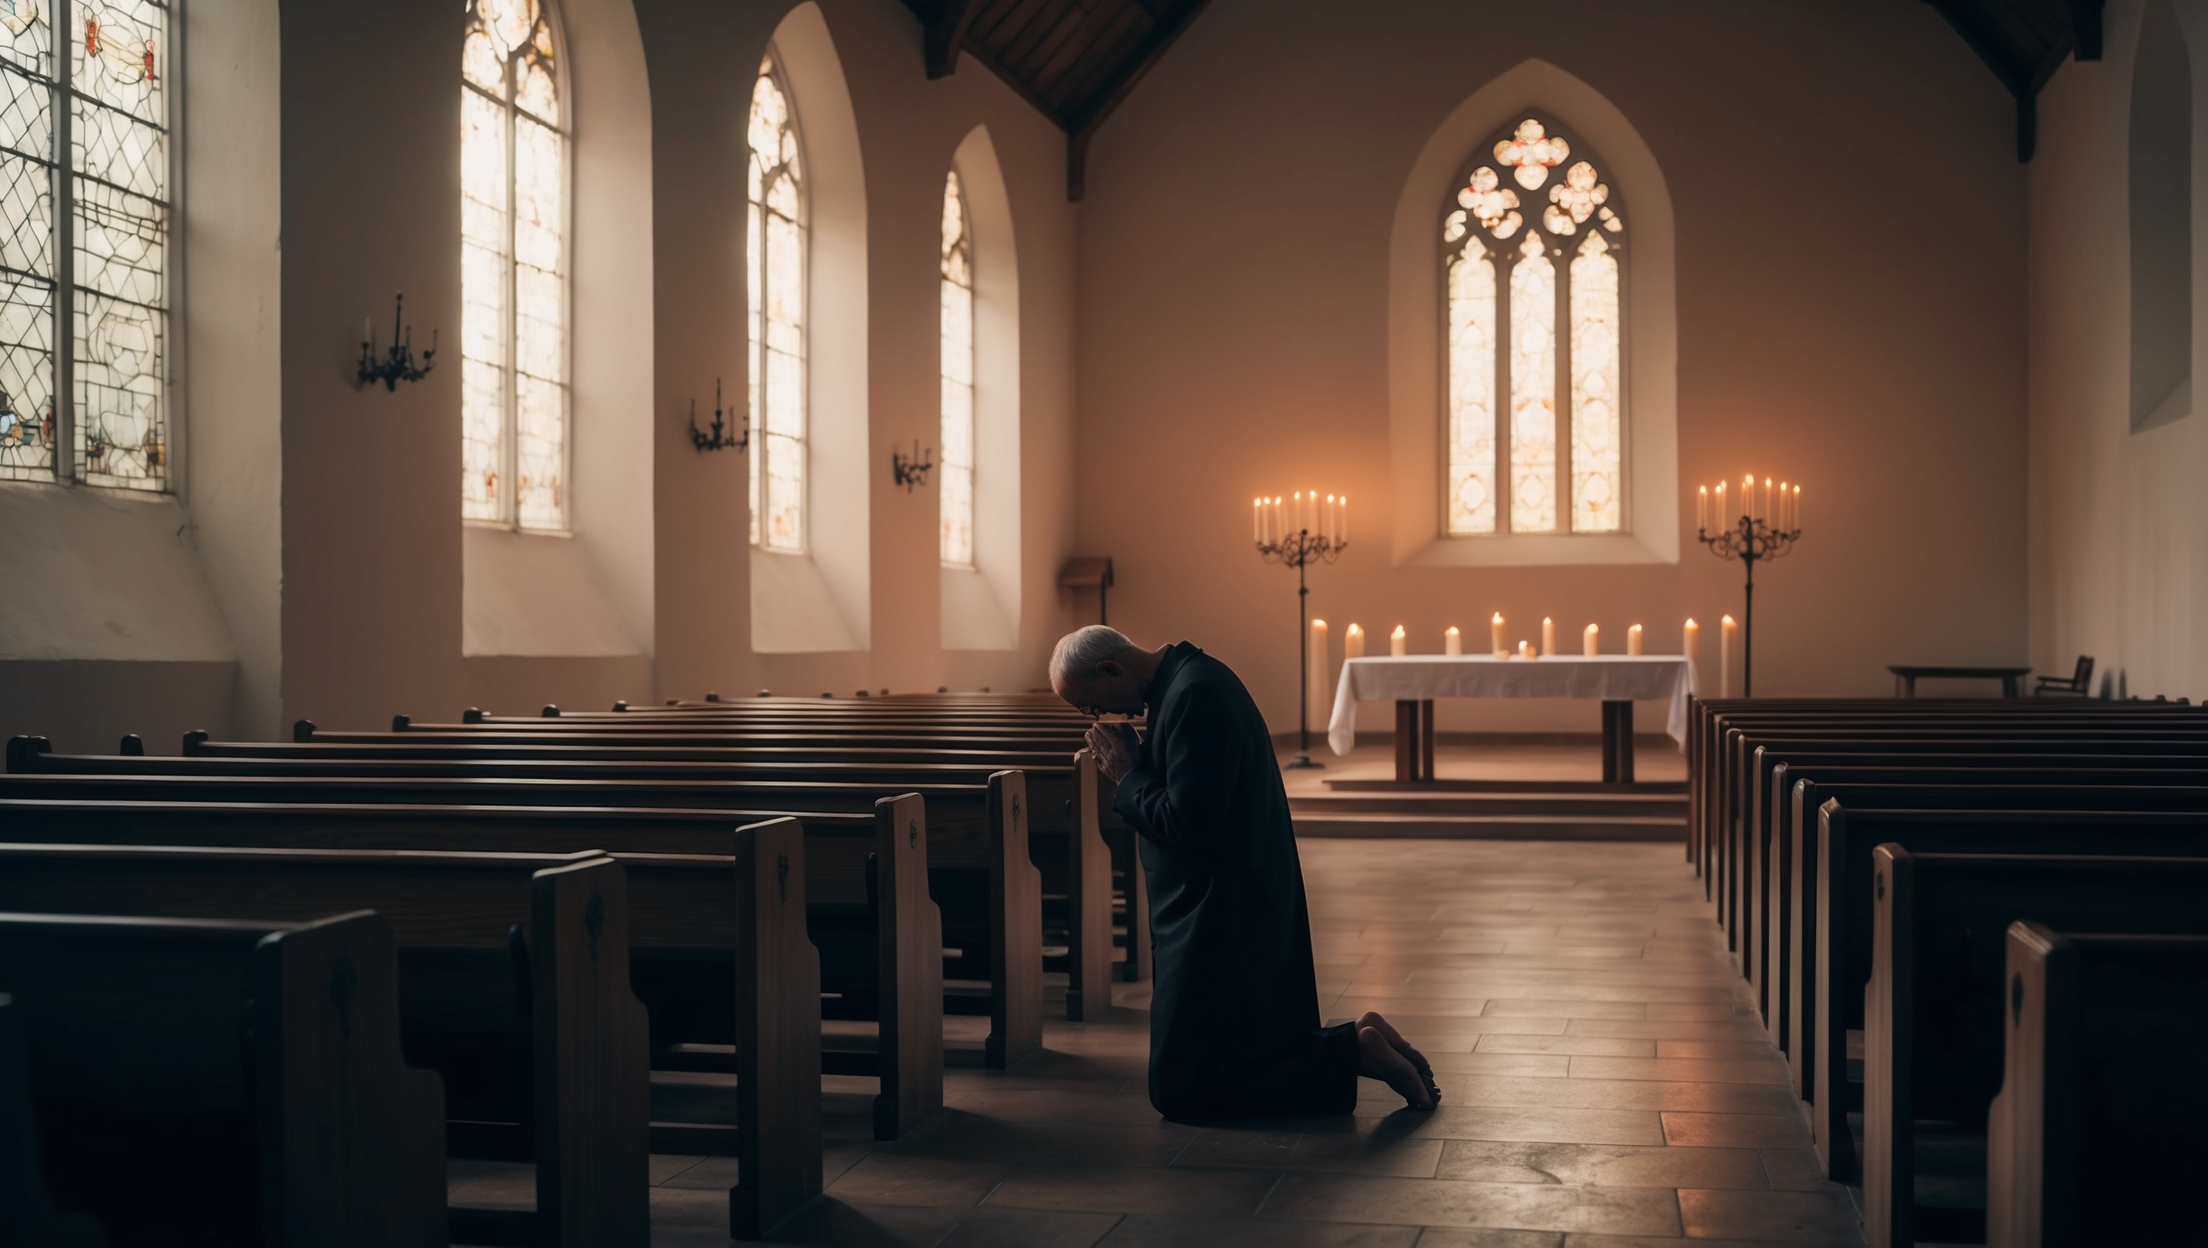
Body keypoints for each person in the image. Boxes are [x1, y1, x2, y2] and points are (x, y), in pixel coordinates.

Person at [1048, 625, 1439, 1120]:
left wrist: (1128, 776)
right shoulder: (1186, 685)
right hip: (1215, 902)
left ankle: (1352, 1052)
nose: (1102, 717)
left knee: (1184, 1090)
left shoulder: (1194, 694)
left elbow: (1191, 823)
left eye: (1093, 704)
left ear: (1111, 669)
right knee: (1228, 1057)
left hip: (1219, 911)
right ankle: (1352, 1041)